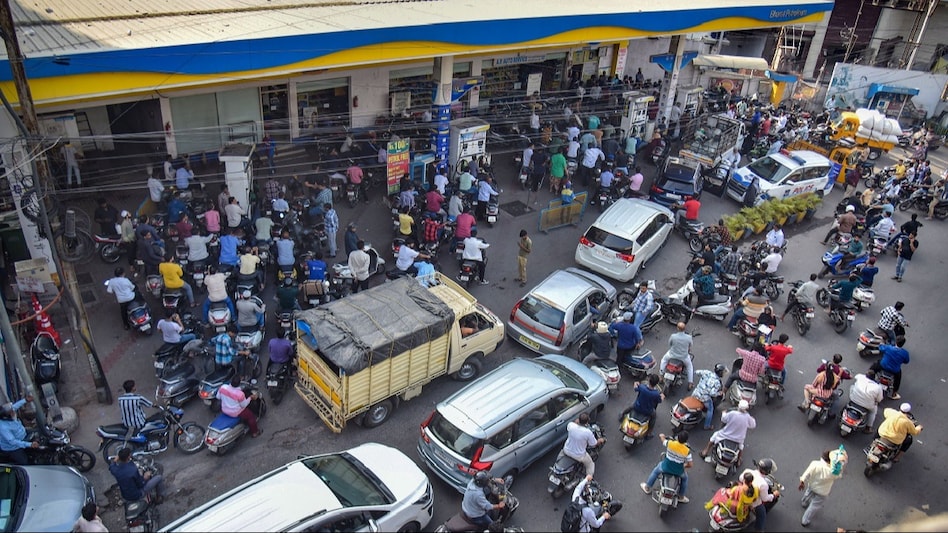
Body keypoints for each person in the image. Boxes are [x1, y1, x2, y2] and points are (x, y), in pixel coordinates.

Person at [799, 448, 847, 527]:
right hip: (823, 492)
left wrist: (802, 481)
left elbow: (806, 473)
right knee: (814, 506)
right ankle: (805, 520)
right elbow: (839, 475)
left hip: (812, 485)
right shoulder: (833, 473)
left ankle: (804, 502)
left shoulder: (815, 463)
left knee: (808, 493)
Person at [699, 399, 756, 466]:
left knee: (714, 436)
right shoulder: (747, 417)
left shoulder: (732, 413)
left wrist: (724, 412)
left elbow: (724, 419)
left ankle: (705, 451)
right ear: (747, 408)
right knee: (740, 447)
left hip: (725, 435)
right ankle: (739, 460)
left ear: (738, 406)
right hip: (738, 439)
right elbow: (753, 425)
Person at [640, 431, 694, 503]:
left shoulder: (670, 443)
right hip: (679, 471)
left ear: (678, 437)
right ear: (685, 441)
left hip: (665, 467)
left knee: (655, 471)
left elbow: (663, 440)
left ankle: (647, 487)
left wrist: (662, 436)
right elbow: (690, 464)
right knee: (685, 479)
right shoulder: (687, 451)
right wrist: (684, 465)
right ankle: (681, 496)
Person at [558, 413, 605, 477]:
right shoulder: (588, 432)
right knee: (590, 464)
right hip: (579, 455)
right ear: (587, 422)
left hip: (566, 450)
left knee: (559, 458)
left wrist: (576, 422)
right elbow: (593, 444)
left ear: (578, 419)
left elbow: (571, 425)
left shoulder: (571, 425)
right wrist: (600, 440)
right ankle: (588, 480)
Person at [620, 374, 664, 439]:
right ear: (656, 383)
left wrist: (635, 383)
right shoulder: (656, 394)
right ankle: (649, 433)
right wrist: (662, 396)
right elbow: (660, 401)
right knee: (653, 417)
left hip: (637, 407)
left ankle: (621, 415)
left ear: (649, 381)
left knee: (629, 407)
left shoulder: (642, 387)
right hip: (648, 411)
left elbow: (635, 388)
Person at [742, 458, 780, 532]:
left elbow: (740, 479)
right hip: (753, 503)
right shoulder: (763, 484)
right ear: (768, 471)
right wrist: (774, 495)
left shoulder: (748, 471)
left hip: (741, 494)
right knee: (762, 515)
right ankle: (759, 530)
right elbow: (765, 498)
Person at [0, 395, 38, 464]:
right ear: (6, 416)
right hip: (14, 448)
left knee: (38, 432)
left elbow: (15, 406)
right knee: (25, 462)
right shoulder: (3, 428)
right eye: (11, 411)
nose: (13, 410)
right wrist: (30, 444)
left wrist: (25, 400)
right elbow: (13, 441)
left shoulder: (10, 414)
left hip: (22, 433)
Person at [660, 321, 694, 388]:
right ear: (684, 329)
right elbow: (690, 345)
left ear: (677, 328)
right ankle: (690, 383)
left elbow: (670, 344)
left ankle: (661, 376)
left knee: (663, 360)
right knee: (689, 367)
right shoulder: (689, 337)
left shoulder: (673, 336)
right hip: (684, 357)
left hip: (672, 355)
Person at [693, 365, 727, 430]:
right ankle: (707, 425)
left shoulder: (707, 372)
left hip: (696, 393)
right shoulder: (717, 383)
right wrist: (719, 393)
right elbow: (712, 393)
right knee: (710, 409)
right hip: (704, 398)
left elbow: (697, 372)